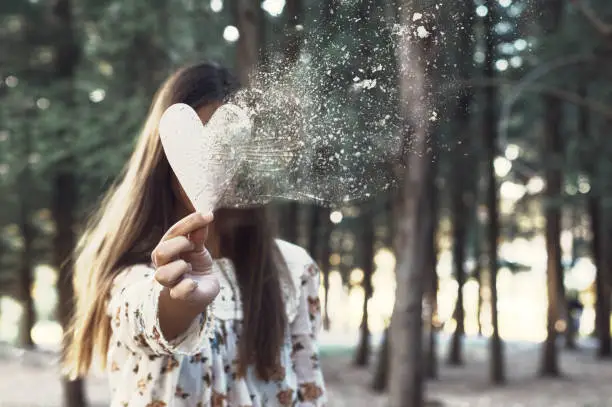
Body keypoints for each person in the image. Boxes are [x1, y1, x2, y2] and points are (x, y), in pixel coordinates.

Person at [65, 62, 327, 407]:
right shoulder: (133, 271)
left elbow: (310, 389)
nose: (212, 163)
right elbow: (143, 319)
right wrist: (178, 301)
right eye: (199, 144)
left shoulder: (293, 269)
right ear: (164, 155)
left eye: (227, 147)